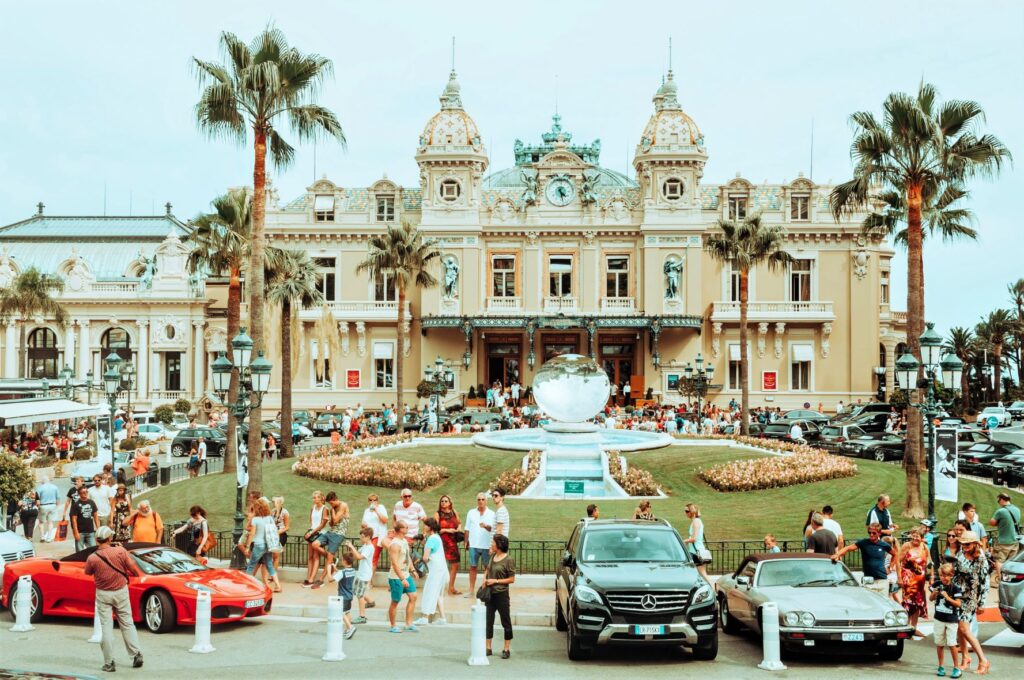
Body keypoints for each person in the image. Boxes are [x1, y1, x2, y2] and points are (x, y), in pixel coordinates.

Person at [85, 526, 143, 673]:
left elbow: (87, 572)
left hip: (103, 594)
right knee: (127, 623)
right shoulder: (120, 551)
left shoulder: (92, 557)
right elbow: (132, 567)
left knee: (106, 628)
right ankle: (135, 654)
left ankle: (109, 662)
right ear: (110, 538)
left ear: (97, 540)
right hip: (121, 591)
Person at [952, 531, 990, 675]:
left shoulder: (981, 559)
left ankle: (983, 660)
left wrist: (982, 603)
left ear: (975, 544)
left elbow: (985, 583)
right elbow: (956, 573)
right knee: (960, 628)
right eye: (963, 544)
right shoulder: (960, 555)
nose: (965, 547)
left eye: (967, 544)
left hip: (972, 597)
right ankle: (965, 658)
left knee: (964, 628)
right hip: (958, 596)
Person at [831, 522, 894, 597]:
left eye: (874, 533)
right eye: (869, 532)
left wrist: (890, 567)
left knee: (884, 604)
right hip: (868, 580)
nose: (871, 535)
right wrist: (837, 554)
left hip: (882, 580)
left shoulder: (884, 545)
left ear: (879, 533)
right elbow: (848, 548)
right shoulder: (864, 543)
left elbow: (895, 554)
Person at [483, 533, 516, 659]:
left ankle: (506, 649)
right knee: (488, 621)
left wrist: (495, 581)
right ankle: (488, 647)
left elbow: (512, 579)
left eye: (493, 542)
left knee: (505, 621)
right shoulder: (493, 556)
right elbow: (488, 570)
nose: (492, 544)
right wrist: (484, 580)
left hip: (501, 594)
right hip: (490, 594)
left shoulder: (508, 560)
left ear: (499, 545)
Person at [240, 497, 282, 592]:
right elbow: (274, 530)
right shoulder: (269, 518)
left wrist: (247, 546)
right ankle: (278, 585)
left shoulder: (255, 520)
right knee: (269, 566)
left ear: (257, 508)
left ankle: (246, 587)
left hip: (259, 545)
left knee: (251, 566)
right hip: (268, 545)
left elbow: (252, 534)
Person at [896, 526, 930, 636]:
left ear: (922, 538)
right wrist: (899, 577)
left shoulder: (924, 547)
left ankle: (913, 628)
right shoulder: (907, 546)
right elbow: (898, 561)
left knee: (917, 604)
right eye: (913, 536)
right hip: (908, 580)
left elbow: (930, 561)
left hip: (920, 580)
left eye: (917, 537)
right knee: (908, 603)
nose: (915, 539)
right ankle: (906, 627)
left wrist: (931, 575)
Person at [931, 563, 963, 679]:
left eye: (946, 576)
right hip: (939, 618)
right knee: (939, 643)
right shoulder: (937, 584)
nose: (943, 578)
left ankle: (956, 667)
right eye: (941, 575)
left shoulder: (955, 588)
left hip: (951, 620)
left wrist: (947, 597)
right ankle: (941, 666)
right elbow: (930, 599)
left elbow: (958, 604)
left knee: (952, 643)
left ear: (951, 576)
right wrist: (934, 593)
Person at [414, 518, 448, 626]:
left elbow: (425, 557)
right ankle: (442, 618)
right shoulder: (437, 538)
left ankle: (425, 618)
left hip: (435, 571)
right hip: (442, 570)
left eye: (426, 525)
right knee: (438, 594)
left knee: (429, 592)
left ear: (430, 527)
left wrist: (420, 560)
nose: (424, 527)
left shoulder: (431, 539)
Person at [312, 491, 348, 588]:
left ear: (335, 499)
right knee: (315, 544)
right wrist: (331, 519)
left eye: (331, 503)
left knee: (329, 558)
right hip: (330, 532)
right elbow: (332, 524)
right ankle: (333, 559)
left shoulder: (343, 505)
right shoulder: (334, 507)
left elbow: (336, 520)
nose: (330, 505)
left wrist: (332, 510)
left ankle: (321, 579)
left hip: (339, 534)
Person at [387, 520, 418, 633]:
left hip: (406, 574)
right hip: (396, 577)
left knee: (413, 596)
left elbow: (407, 557)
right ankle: (393, 626)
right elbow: (395, 564)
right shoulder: (395, 544)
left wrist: (412, 569)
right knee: (395, 601)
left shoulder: (404, 541)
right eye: (406, 527)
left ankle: (409, 624)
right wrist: (402, 578)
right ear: (400, 530)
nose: (408, 528)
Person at [466, 492, 496, 597]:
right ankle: (471, 590)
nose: (481, 501)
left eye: (483, 499)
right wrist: (466, 542)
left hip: (486, 545)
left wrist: (486, 526)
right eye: (479, 499)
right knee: (473, 567)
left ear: (486, 501)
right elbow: (467, 529)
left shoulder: (492, 514)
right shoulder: (471, 512)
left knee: (487, 567)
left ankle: (486, 590)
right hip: (473, 545)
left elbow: (493, 530)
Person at [989, 492, 1021, 585]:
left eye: (998, 500)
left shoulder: (1001, 511)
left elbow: (992, 522)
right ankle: (1009, 581)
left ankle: (1001, 581)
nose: (998, 502)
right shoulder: (1017, 509)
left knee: (999, 561)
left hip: (1004, 541)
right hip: (1015, 541)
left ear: (1002, 500)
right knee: (1009, 563)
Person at [434, 495, 462, 596]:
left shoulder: (454, 512)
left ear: (450, 503)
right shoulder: (438, 514)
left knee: (455, 565)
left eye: (446, 501)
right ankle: (438, 587)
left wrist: (458, 528)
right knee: (441, 565)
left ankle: (451, 587)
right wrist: (447, 530)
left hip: (452, 542)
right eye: (442, 501)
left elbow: (459, 523)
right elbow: (436, 529)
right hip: (442, 542)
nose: (444, 503)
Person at [333, 543, 357, 640]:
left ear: (344, 561)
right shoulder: (353, 570)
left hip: (342, 595)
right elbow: (341, 574)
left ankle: (350, 627)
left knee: (340, 612)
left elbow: (331, 579)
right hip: (350, 595)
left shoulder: (342, 572)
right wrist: (336, 570)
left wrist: (329, 570)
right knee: (347, 612)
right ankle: (348, 629)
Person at [304, 490, 329, 587]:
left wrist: (312, 532)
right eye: (313, 497)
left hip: (319, 533)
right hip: (311, 533)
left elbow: (322, 524)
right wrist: (309, 531)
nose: (314, 499)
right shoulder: (312, 507)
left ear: (321, 498)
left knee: (315, 556)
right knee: (310, 556)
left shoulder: (325, 508)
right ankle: (308, 577)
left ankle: (312, 579)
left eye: (315, 497)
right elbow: (311, 521)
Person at [352, 527, 375, 624]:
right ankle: (370, 602)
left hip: (365, 574)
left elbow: (359, 557)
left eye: (362, 537)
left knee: (360, 595)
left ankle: (362, 616)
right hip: (361, 573)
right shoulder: (365, 545)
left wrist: (352, 547)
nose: (360, 539)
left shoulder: (369, 547)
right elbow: (357, 553)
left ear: (368, 537)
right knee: (357, 590)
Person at [682, 503, 710, 583]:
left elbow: (694, 538)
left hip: (696, 552)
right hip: (694, 551)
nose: (685, 513)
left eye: (687, 511)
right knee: (697, 574)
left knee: (703, 574)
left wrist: (684, 541)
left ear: (692, 512)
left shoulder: (696, 522)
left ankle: (714, 591)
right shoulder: (695, 521)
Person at [361, 493, 388, 573]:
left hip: (377, 536)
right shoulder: (366, 511)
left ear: (377, 501)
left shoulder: (381, 508)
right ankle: (367, 579)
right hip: (367, 538)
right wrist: (363, 525)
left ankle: (369, 581)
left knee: (373, 558)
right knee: (366, 557)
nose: (372, 502)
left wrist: (376, 510)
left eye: (374, 500)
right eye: (370, 500)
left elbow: (385, 520)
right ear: (368, 501)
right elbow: (362, 524)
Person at [70, 486, 99, 551]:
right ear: (79, 494)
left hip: (90, 531)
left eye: (86, 492)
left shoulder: (91, 502)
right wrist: (76, 532)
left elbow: (95, 516)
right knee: (79, 551)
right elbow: (74, 519)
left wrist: (98, 528)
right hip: (80, 532)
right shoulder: (76, 504)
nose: (85, 494)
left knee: (93, 550)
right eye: (83, 493)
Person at [35, 476, 60, 542]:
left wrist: (38, 507)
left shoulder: (39, 488)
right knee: (50, 522)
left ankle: (42, 536)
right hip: (52, 505)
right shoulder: (55, 487)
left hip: (43, 506)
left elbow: (37, 500)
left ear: (42, 481)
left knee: (41, 522)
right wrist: (56, 506)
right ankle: (49, 537)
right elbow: (58, 498)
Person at [271, 496, 290, 577]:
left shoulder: (285, 512)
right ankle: (271, 573)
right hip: (273, 534)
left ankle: (272, 575)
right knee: (272, 555)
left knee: (276, 555)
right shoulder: (273, 511)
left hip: (280, 534)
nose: (273, 503)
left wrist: (279, 532)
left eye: (275, 502)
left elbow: (287, 526)